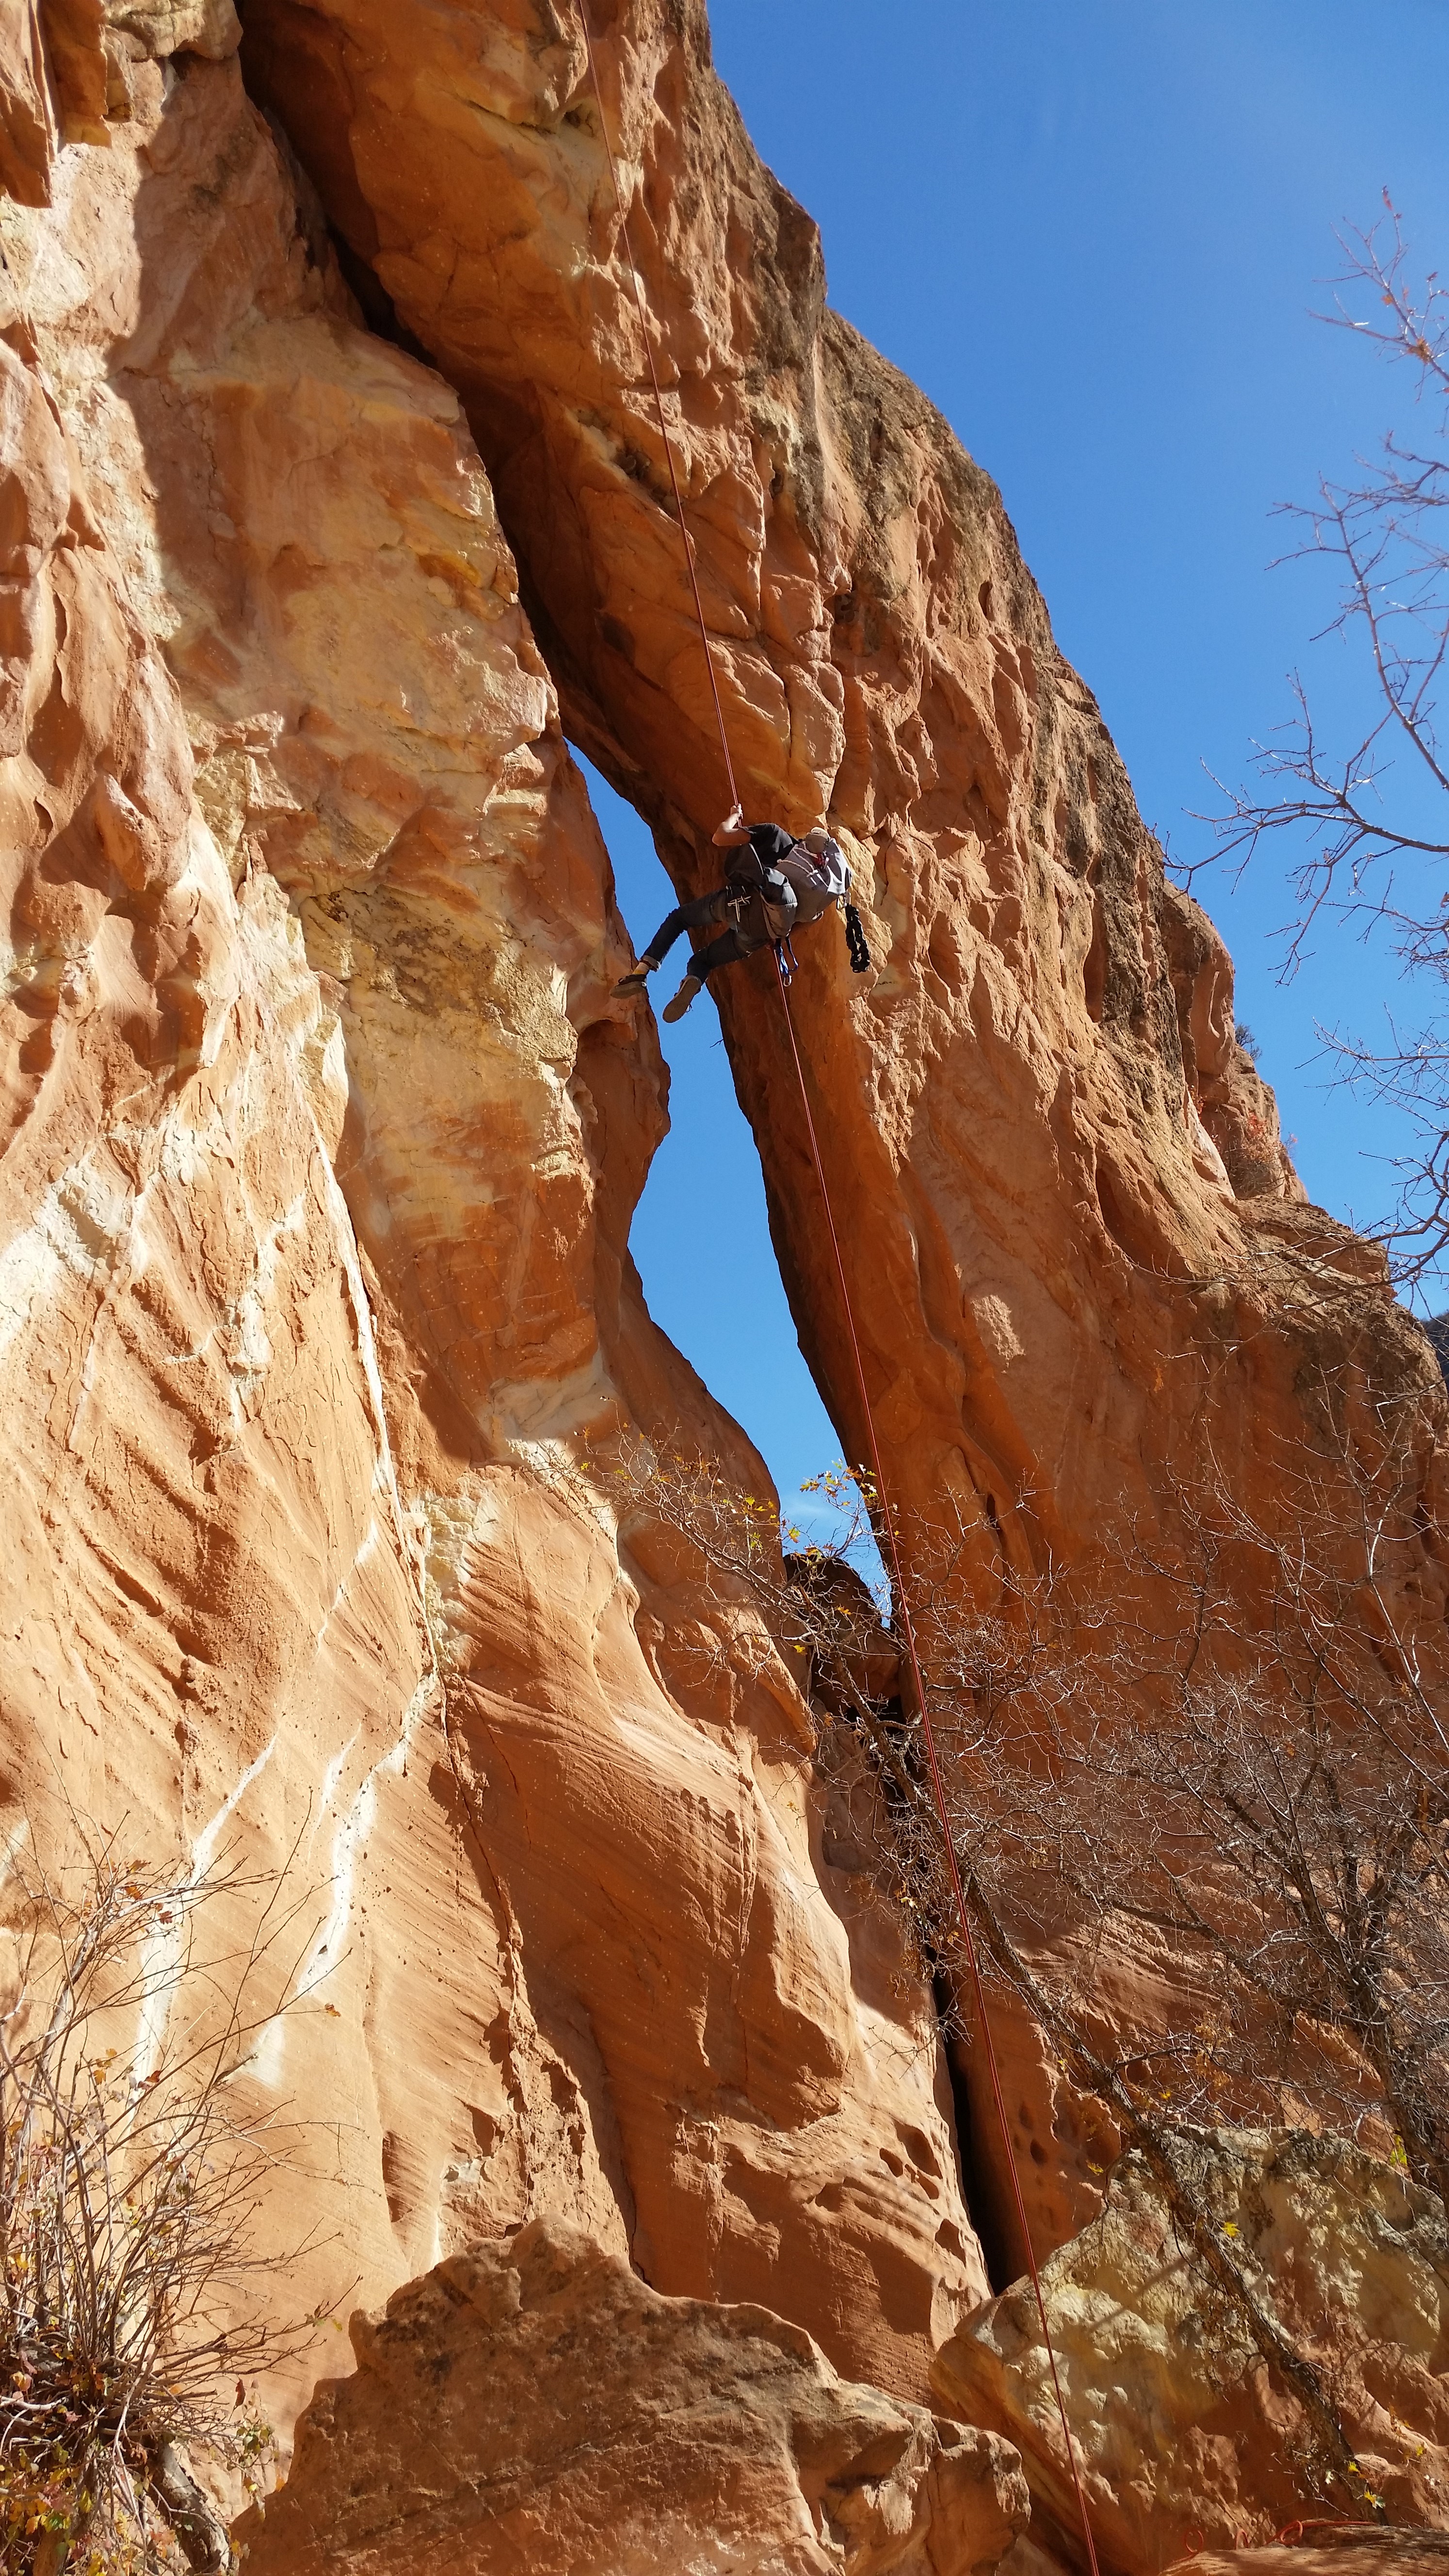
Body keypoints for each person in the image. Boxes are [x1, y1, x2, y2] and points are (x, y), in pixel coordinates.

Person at [616, 807, 849, 1020]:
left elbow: (721, 837)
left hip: (739, 902)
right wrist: (775, 935)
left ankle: (641, 972)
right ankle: (693, 980)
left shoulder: (774, 834)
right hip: (759, 933)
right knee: (703, 960)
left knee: (680, 919)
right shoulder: (818, 889)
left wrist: (734, 816)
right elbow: (803, 923)